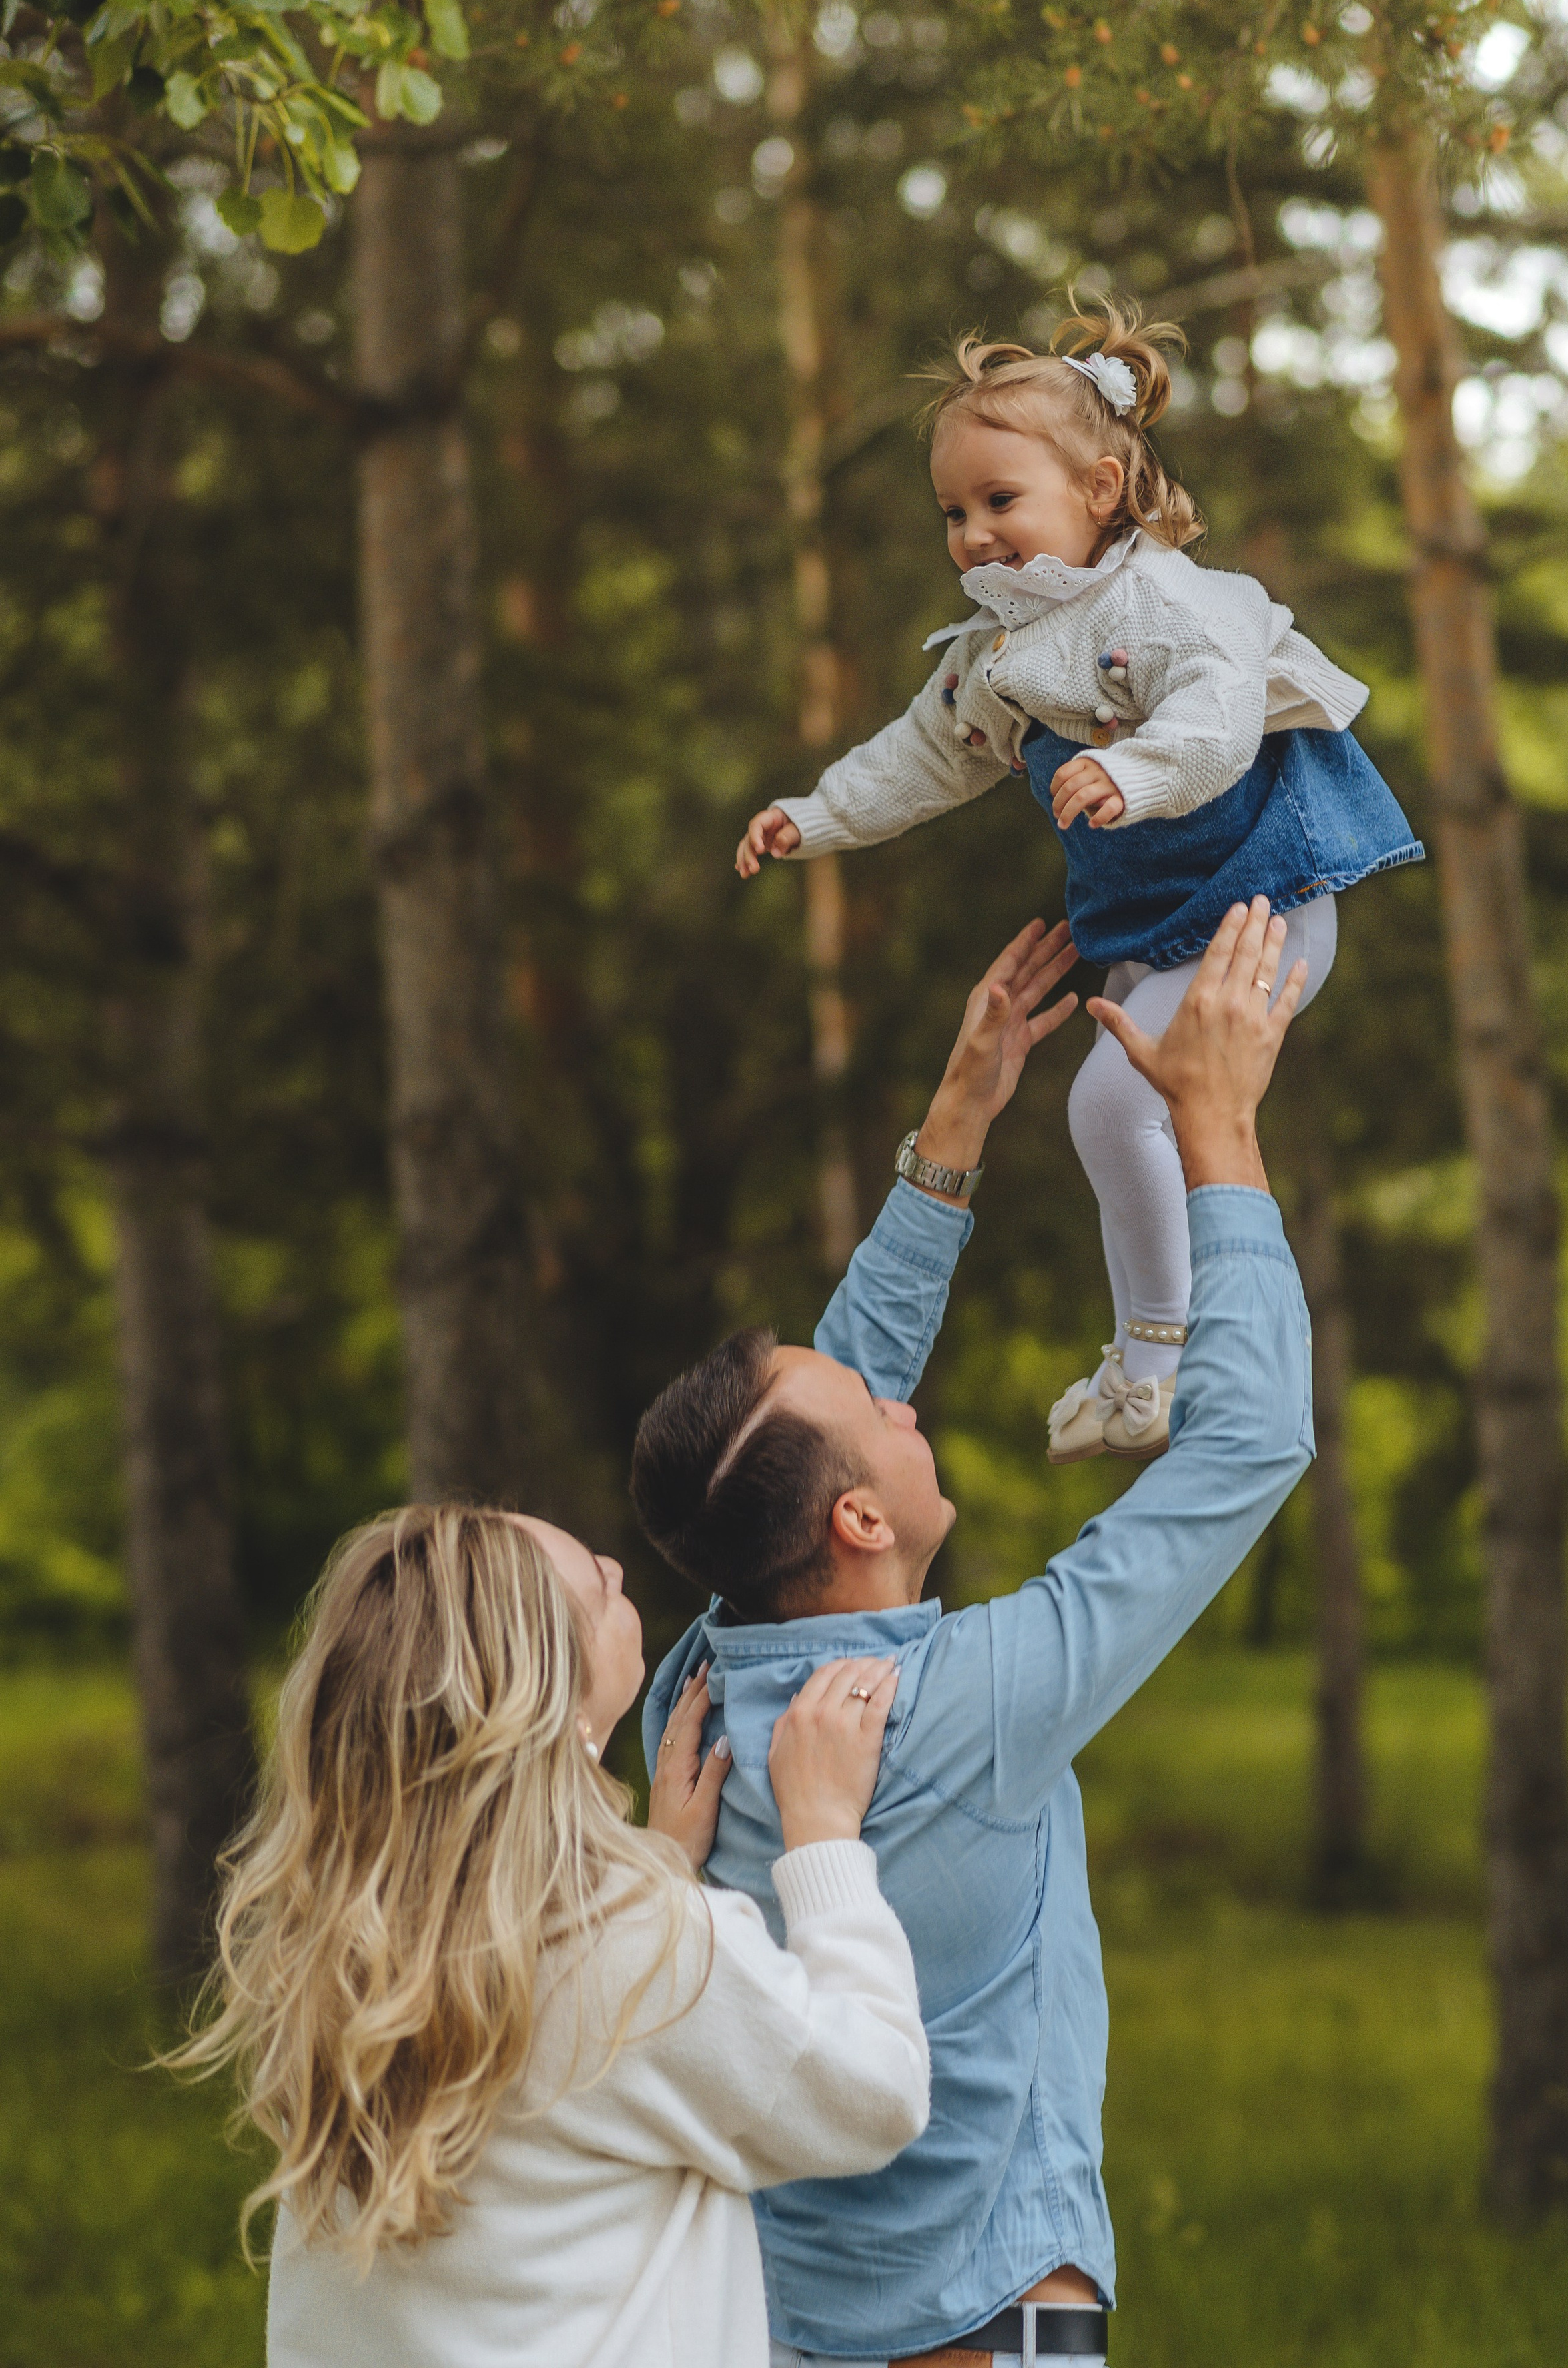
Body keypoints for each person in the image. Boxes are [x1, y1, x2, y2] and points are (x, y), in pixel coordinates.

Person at [631, 903, 1316, 2367]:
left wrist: (957, 1124)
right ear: (856, 1527)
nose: (898, 1398)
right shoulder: (956, 1711)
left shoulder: (692, 1695)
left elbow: (802, 1451)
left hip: (784, 2326)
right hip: (982, 2331)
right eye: (872, 1410)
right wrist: (1218, 1134)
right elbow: (1246, 1440)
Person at [736, 301, 1420, 1465]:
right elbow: (922, 756)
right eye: (954, 512)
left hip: (1270, 899)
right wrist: (814, 817)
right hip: (1168, 927)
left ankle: (1157, 1363)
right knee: (1119, 1107)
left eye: (1001, 502)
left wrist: (1135, 770)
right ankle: (1161, 1357)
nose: (971, 534)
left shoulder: (1169, 602)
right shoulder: (994, 657)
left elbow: (1220, 710)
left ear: (1101, 489)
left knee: (1112, 1103)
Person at [171, 1501, 931, 2368]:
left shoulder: (347, 1944)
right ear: (548, 1697)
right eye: (596, 1587)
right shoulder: (633, 1941)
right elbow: (875, 2093)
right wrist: (825, 1832)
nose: (615, 1567)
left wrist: (660, 1867)